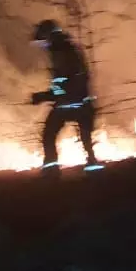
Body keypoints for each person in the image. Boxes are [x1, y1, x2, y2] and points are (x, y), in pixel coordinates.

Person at [29, 19, 103, 173]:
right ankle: (93, 168)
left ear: (48, 36)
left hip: (70, 104)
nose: (42, 47)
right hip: (80, 102)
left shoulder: (60, 52)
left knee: (48, 135)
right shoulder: (66, 48)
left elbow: (64, 84)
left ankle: (52, 171)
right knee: (85, 140)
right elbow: (67, 82)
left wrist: (43, 96)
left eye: (43, 42)